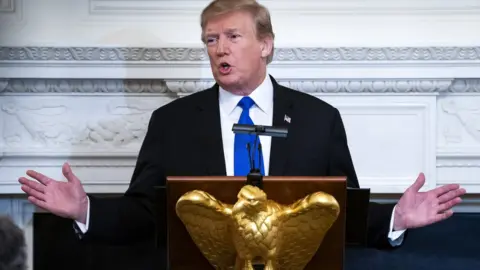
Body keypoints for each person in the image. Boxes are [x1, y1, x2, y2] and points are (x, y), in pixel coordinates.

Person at [19, 0, 465, 253]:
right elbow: (145, 216)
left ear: (266, 45)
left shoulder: (317, 119)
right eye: (211, 40)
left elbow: (339, 212)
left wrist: (396, 217)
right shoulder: (172, 123)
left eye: (233, 37)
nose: (219, 49)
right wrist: (85, 211)